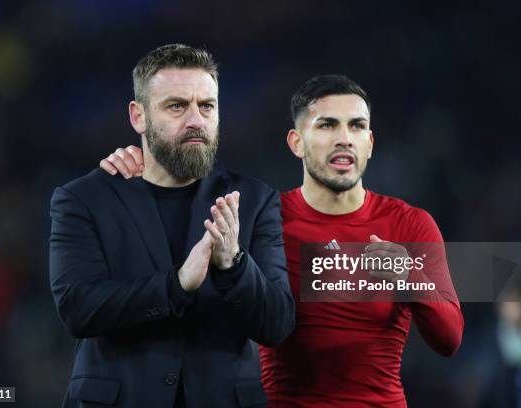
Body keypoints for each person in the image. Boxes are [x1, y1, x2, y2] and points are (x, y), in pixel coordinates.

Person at [101, 74, 464, 407]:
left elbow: (449, 340)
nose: (344, 138)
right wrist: (141, 165)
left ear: (369, 143)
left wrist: (410, 279)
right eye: (327, 125)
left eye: (357, 126)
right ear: (296, 142)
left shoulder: (410, 224)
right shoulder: (262, 218)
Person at [49, 44, 295, 408]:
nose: (196, 119)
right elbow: (78, 309)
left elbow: (277, 325)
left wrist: (235, 266)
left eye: (206, 106)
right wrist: (176, 286)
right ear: (139, 117)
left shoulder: (256, 200)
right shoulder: (84, 199)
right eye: (177, 106)